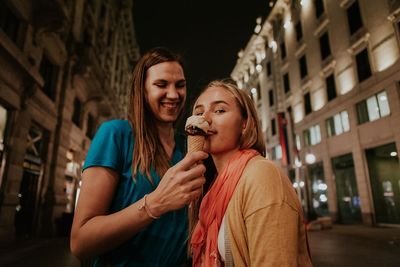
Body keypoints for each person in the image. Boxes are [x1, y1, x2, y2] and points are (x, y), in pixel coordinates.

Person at [70, 47, 208, 266]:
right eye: (161, 84)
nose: (173, 94)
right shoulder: (116, 134)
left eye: (180, 85)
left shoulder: (188, 148)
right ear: (142, 90)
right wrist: (155, 203)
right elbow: (81, 242)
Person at [189, 79, 313, 266]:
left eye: (219, 110)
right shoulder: (212, 185)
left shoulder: (261, 175)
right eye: (199, 112)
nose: (204, 118)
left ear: (245, 124)